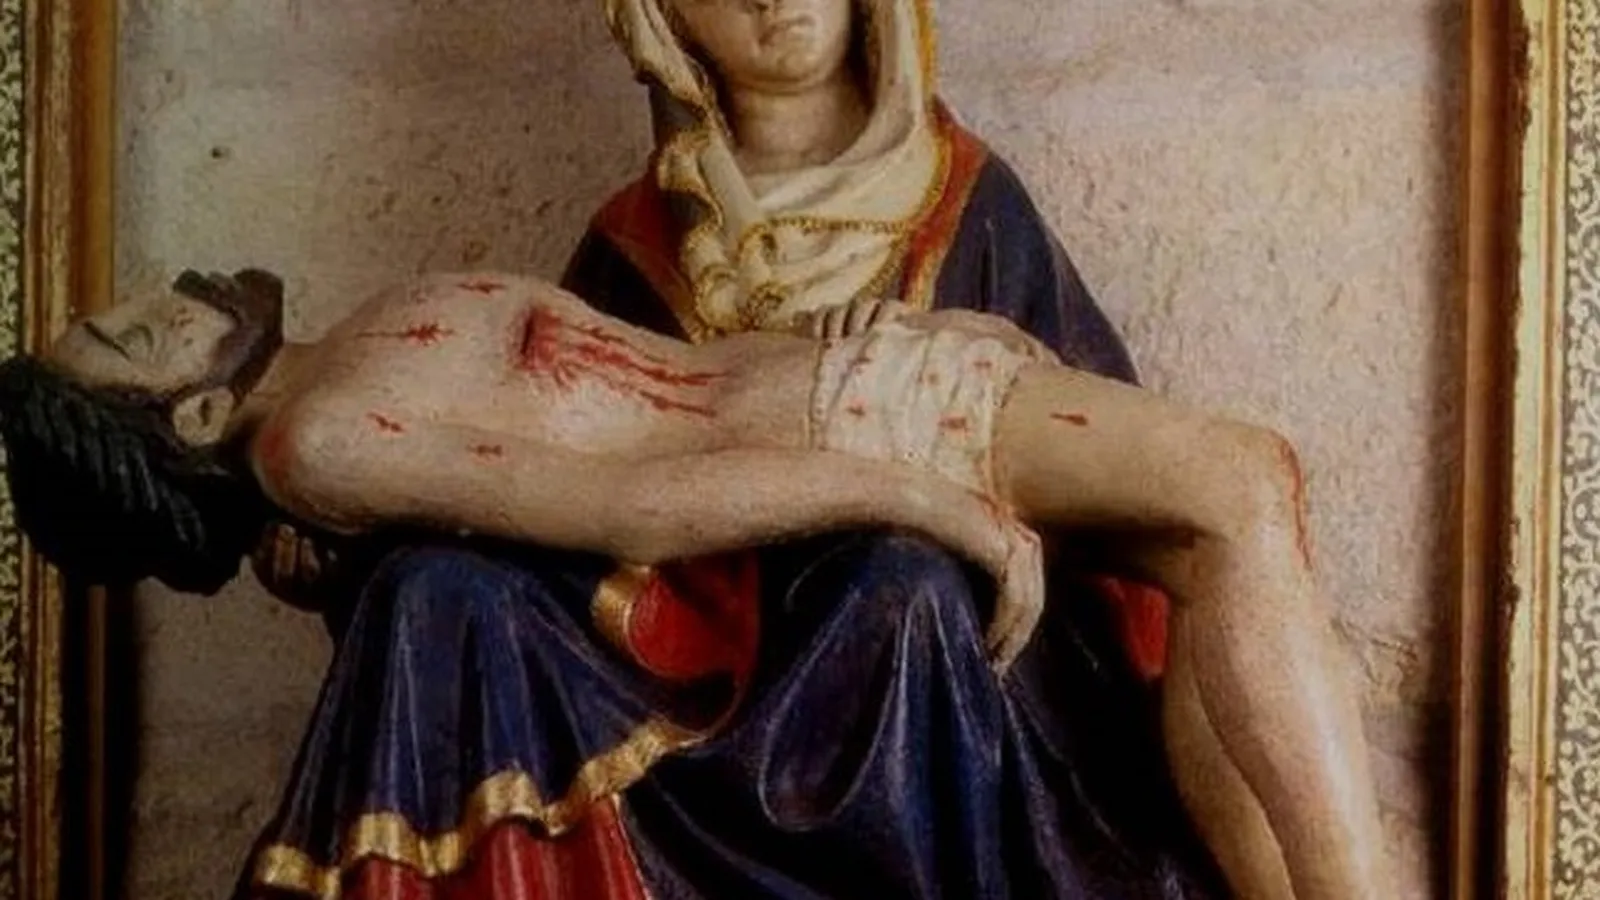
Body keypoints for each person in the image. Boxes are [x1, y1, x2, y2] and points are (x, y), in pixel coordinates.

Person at [6, 268, 1388, 899]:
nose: (148, 300)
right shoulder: (320, 440)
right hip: (864, 427)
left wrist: (887, 324)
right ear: (193, 419)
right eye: (132, 340)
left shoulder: (351, 348)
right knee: (1239, 490)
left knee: (1216, 536)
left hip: (864, 371)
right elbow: (632, 504)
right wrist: (924, 499)